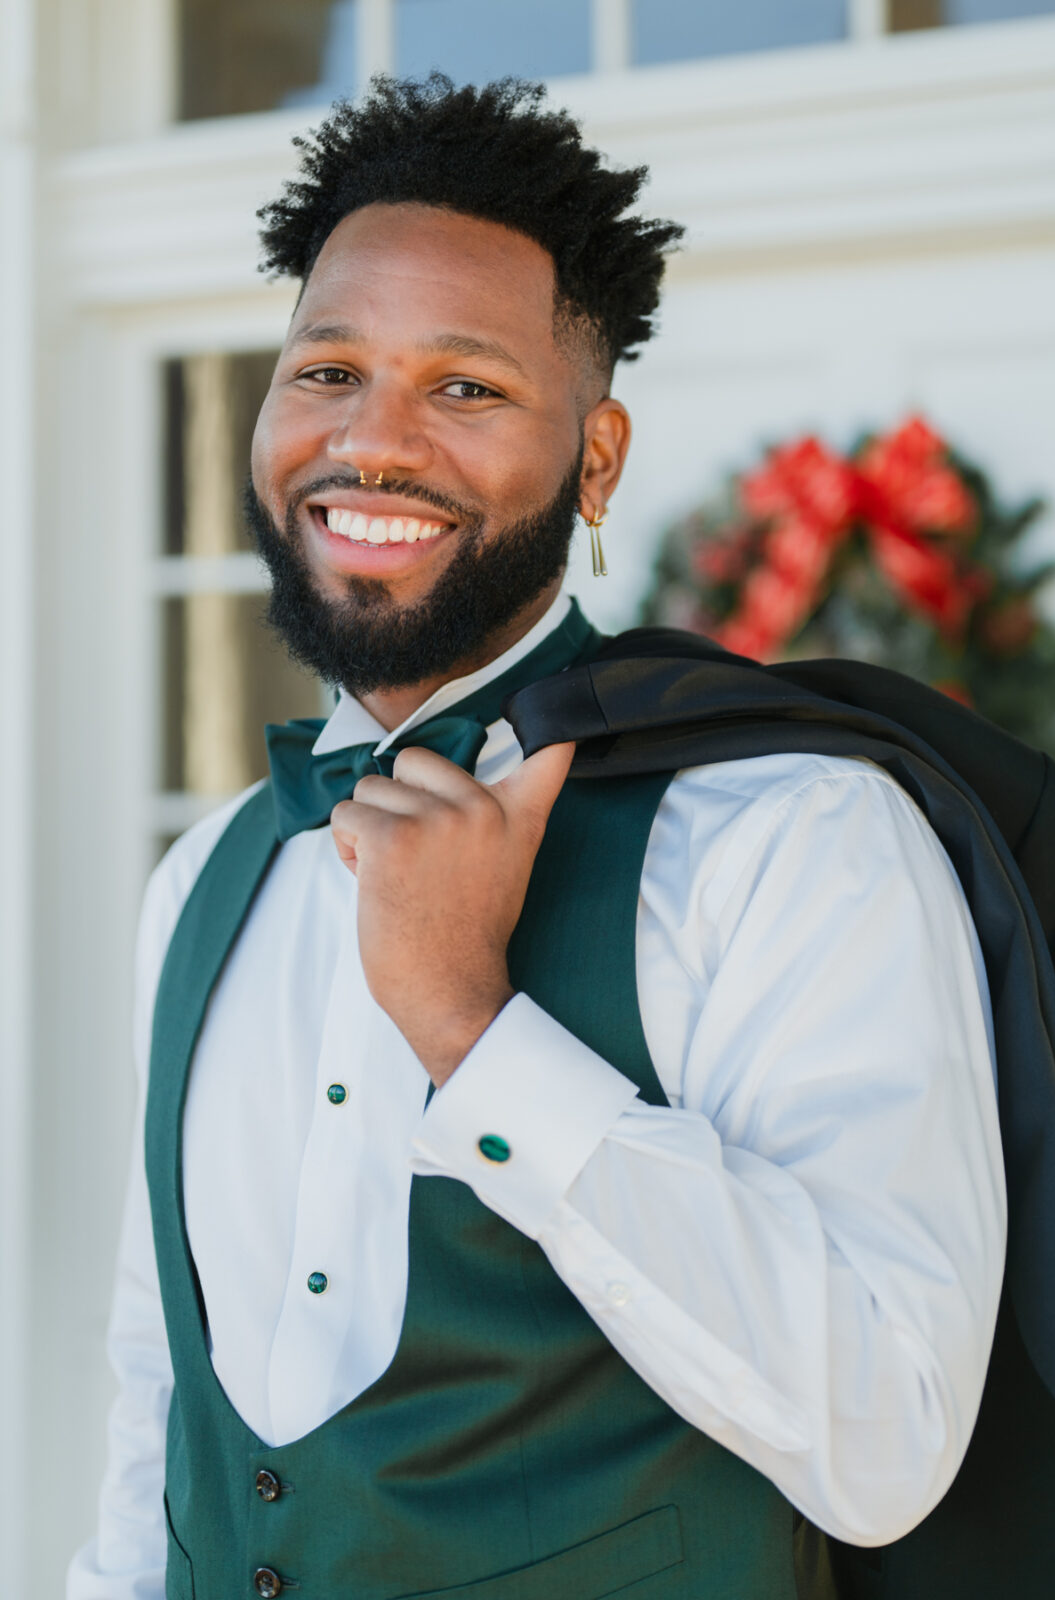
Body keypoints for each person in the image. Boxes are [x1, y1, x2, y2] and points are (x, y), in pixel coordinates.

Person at [69, 76, 1004, 1600]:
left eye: (468, 388)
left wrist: (474, 1029)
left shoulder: (792, 839)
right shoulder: (205, 879)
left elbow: (890, 1437)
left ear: (600, 457)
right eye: (327, 370)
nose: (371, 443)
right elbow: (151, 1402)